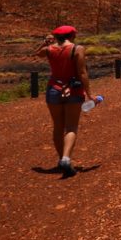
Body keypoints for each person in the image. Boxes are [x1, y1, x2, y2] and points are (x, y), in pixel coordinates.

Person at [35, 25, 94, 178]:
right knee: (71, 127)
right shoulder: (77, 49)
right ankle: (67, 159)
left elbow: (36, 54)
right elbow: (82, 72)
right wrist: (90, 94)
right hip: (73, 90)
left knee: (58, 126)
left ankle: (61, 159)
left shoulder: (49, 49)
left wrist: (45, 42)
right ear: (71, 36)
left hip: (53, 90)